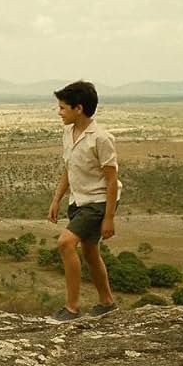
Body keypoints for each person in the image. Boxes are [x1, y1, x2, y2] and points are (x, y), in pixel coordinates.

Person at [47, 80, 122, 321]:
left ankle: (72, 308)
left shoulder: (101, 138)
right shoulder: (68, 133)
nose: (59, 112)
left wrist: (109, 218)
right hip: (78, 201)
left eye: (62, 108)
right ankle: (107, 301)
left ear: (78, 109)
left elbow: (111, 181)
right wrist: (56, 199)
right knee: (90, 251)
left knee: (65, 243)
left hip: (98, 201)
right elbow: (69, 169)